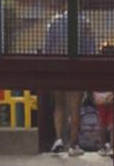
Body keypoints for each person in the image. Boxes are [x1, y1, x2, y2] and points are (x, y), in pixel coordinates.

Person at [40, 10, 99, 157]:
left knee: (59, 105)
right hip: (77, 70)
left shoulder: (54, 22)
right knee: (75, 108)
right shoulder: (83, 23)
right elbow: (90, 50)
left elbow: (47, 49)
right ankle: (73, 145)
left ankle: (59, 139)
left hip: (57, 68)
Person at [92, 43, 114, 157]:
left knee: (102, 123)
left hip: (100, 97)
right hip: (111, 96)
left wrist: (94, 95)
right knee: (113, 123)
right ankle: (112, 147)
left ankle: (102, 147)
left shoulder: (98, 66)